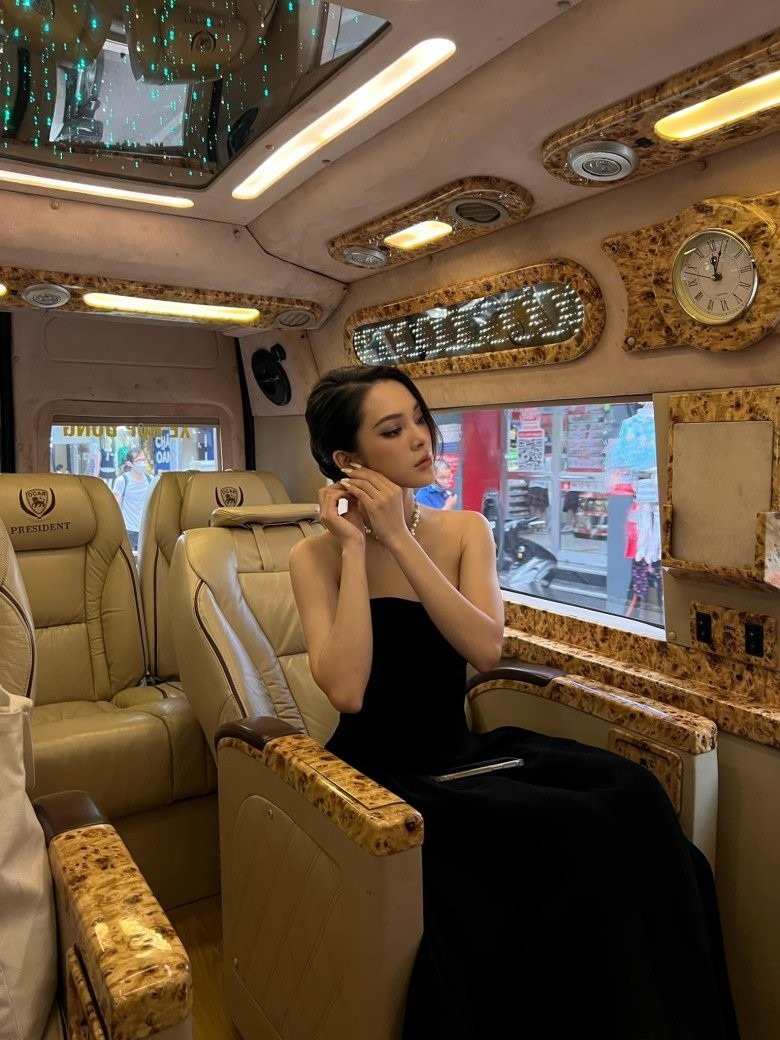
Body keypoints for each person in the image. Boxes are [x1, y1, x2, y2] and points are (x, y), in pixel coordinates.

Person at [289, 364, 739, 1040]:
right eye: (392, 429)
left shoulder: (465, 530)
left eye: (419, 418)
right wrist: (355, 549)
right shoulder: (314, 558)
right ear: (348, 461)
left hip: (462, 753)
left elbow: (485, 649)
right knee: (578, 833)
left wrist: (402, 540)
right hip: (380, 776)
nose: (420, 437)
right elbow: (347, 691)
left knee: (634, 793)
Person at [113, 447, 152, 552]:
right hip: (128, 530)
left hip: (145, 529)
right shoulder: (122, 481)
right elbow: (115, 507)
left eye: (143, 459)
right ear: (129, 463)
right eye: (138, 460)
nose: (142, 463)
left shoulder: (150, 480)